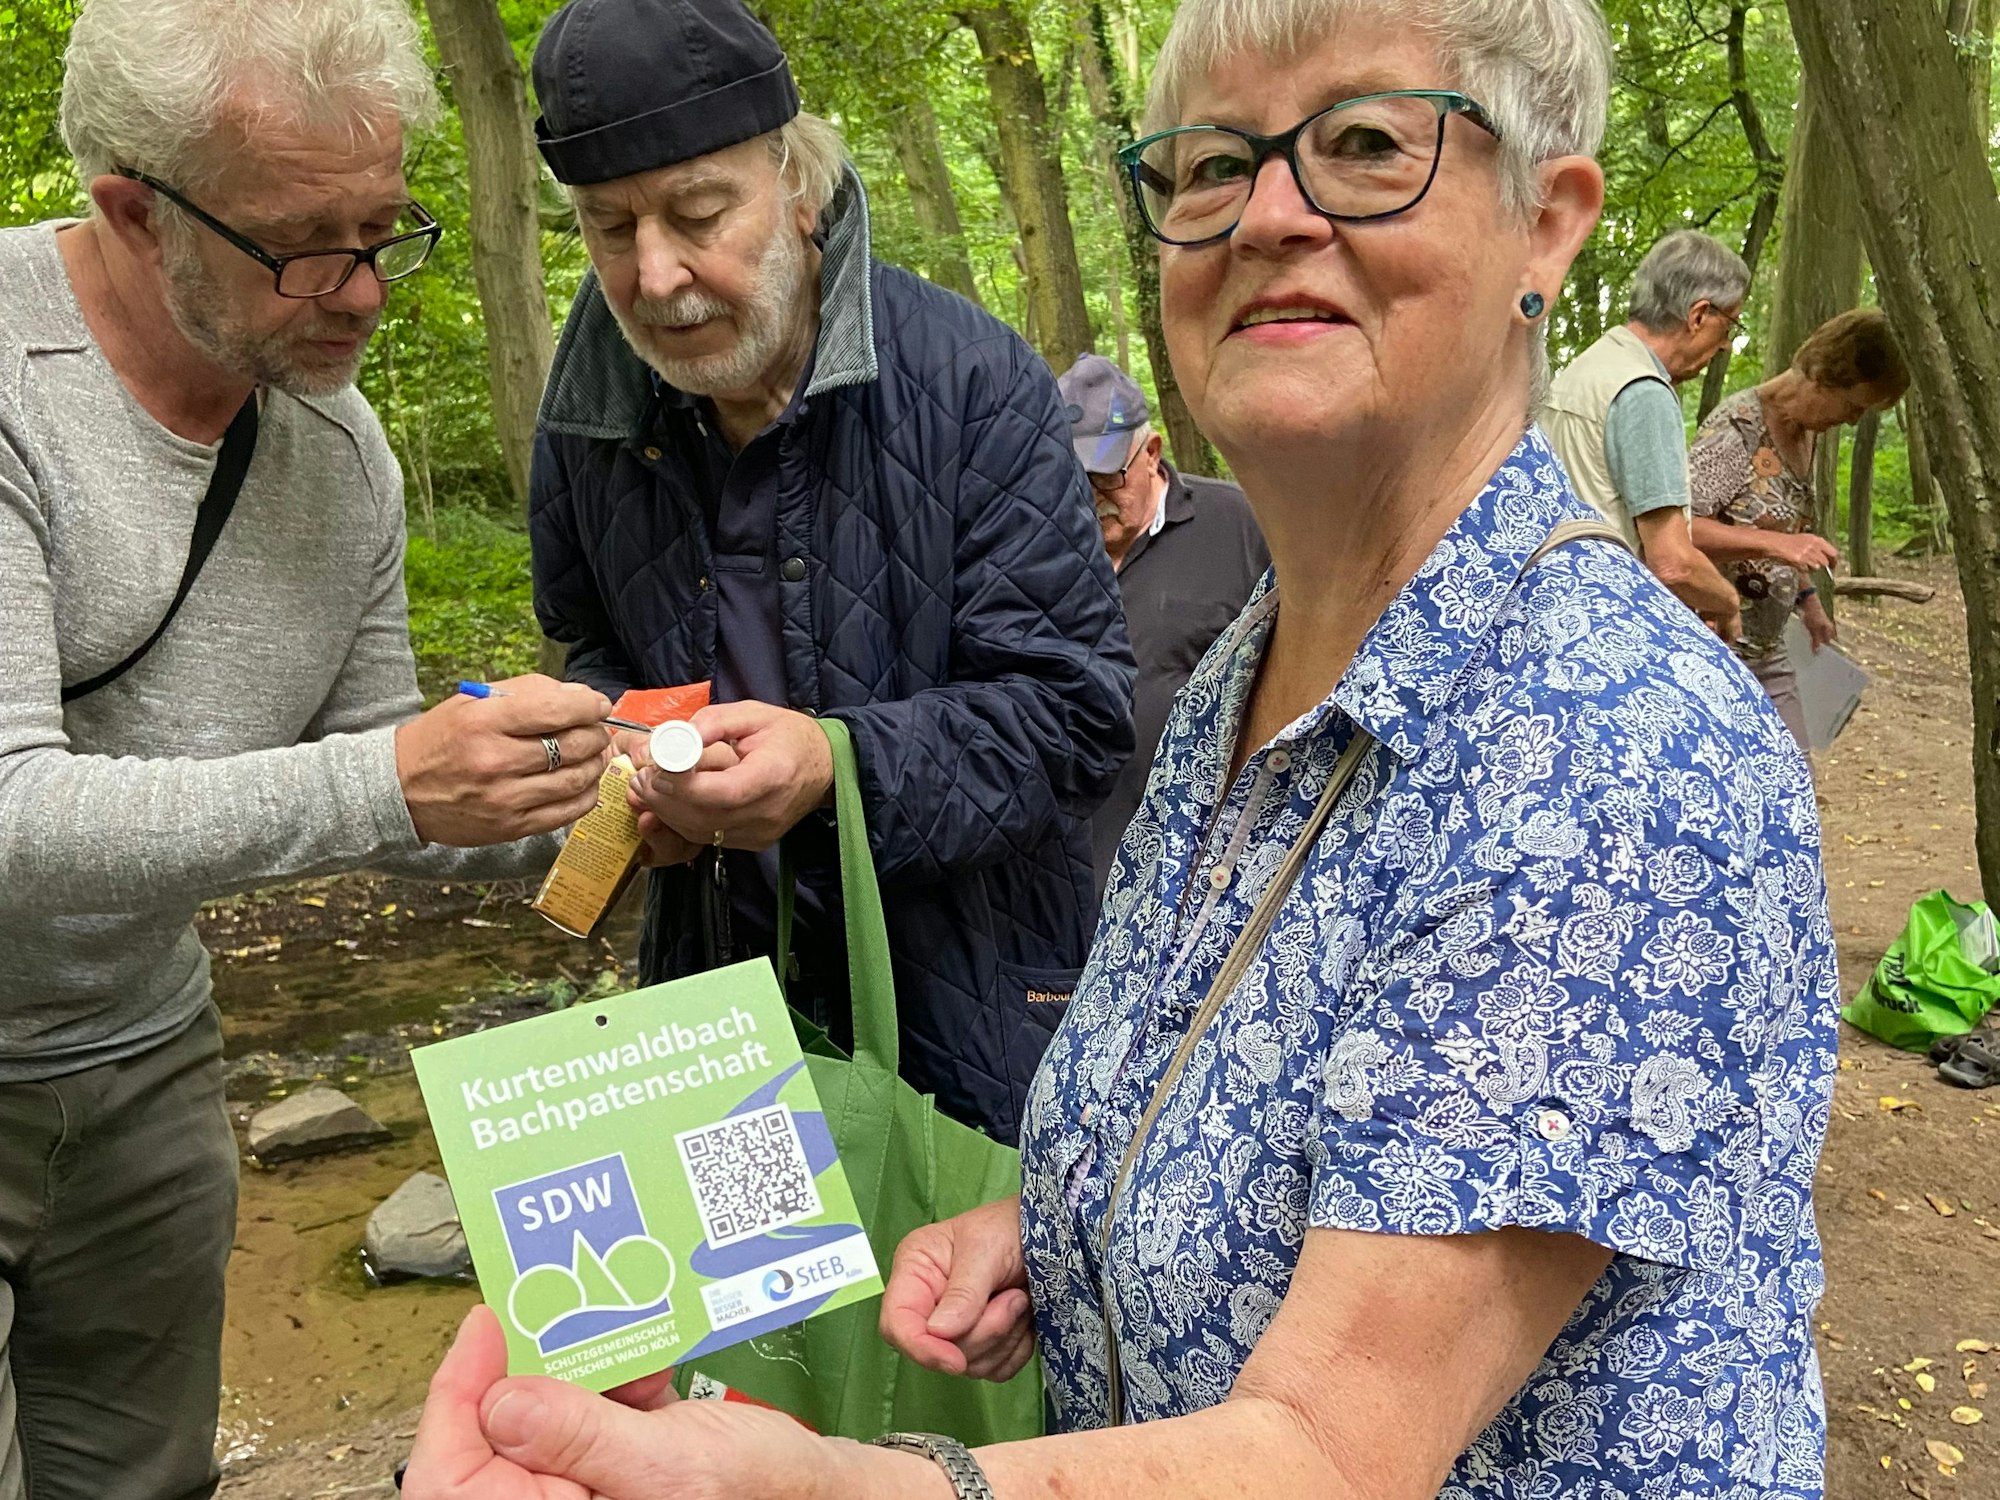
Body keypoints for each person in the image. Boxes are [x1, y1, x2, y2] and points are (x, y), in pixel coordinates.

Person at [406, 0, 1838, 1494]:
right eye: (1209, 166)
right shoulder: (1253, 668)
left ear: (1546, 224)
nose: (1268, 216)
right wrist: (1060, 1224)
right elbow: (1241, 1090)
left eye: (1364, 144)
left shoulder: (1609, 752)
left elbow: (1327, 1455)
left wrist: (832, 1486)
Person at [0, 2, 620, 1494]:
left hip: (141, 1056)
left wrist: (614, 798)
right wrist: (393, 777)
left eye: (384, 230)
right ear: (134, 211)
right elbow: (13, 815)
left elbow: (385, 775)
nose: (364, 293)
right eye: (302, 246)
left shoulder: (338, 452)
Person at [524, 0, 1133, 1146]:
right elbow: (591, 646)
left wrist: (834, 769)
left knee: (944, 1268)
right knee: (755, 1271)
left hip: (968, 1025)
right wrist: (624, 766)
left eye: (697, 214)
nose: (655, 275)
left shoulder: (973, 383)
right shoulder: (587, 417)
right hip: (720, 1020)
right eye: (608, 228)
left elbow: (1074, 717)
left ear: (797, 187)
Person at [1056, 354, 1267, 897]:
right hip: (1069, 872)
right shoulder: (1041, 547)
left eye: (1107, 475)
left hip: (1203, 868)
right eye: (1072, 478)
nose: (1090, 496)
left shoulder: (1239, 527)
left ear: (1151, 453)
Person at [1689, 307, 1910, 750]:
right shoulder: (1737, 428)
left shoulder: (1806, 433)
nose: (1852, 420)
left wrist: (1808, 600)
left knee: (1795, 777)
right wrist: (1778, 545)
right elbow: (1683, 528)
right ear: (1824, 376)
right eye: (1853, 406)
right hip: (1713, 648)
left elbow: (1785, 528)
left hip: (1769, 649)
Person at [1541, 229, 1744, 640]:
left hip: (1553, 610)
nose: (1725, 345)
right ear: (1698, 315)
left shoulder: (1587, 368)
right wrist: (1727, 601)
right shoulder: (1644, 392)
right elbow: (1673, 564)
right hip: (1607, 627)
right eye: (1729, 326)